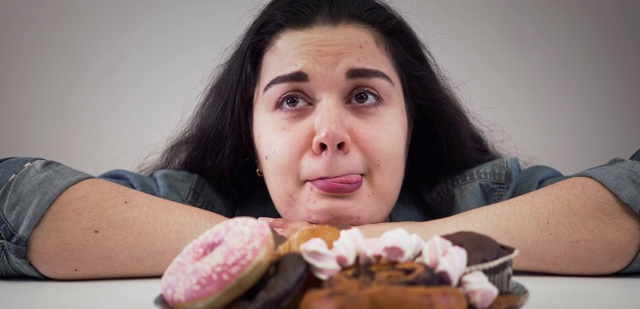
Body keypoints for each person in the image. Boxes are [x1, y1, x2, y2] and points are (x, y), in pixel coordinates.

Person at [1, 0, 638, 280]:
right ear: (249, 135)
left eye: (364, 96)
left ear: (409, 122)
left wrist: (377, 246)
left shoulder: (481, 196)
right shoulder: (195, 202)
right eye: (291, 101)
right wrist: (275, 247)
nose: (329, 135)